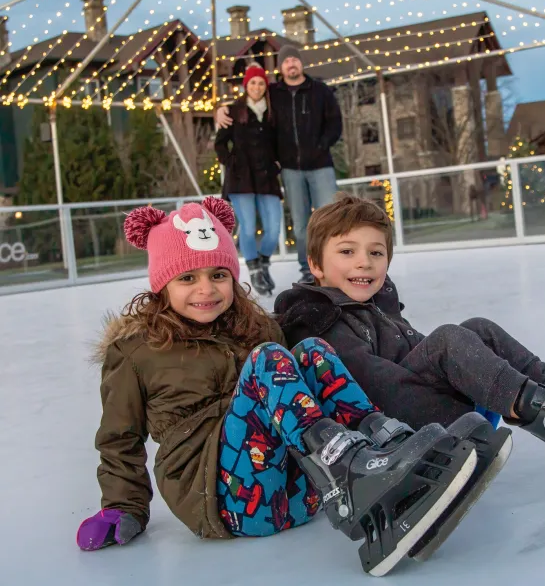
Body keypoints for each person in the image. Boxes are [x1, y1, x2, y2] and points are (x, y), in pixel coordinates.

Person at [74, 196, 496, 577]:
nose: (206, 289)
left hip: (301, 494)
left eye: (219, 274)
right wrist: (122, 508)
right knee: (269, 360)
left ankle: (385, 450)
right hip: (225, 501)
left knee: (311, 349)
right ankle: (353, 477)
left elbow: (311, 384)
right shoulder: (137, 351)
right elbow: (120, 438)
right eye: (187, 278)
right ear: (161, 284)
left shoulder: (256, 327)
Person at [274, 193, 545, 553]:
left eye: (376, 252)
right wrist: (457, 408)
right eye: (347, 252)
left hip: (430, 412)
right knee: (449, 339)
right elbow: (371, 382)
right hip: (398, 436)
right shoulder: (316, 316)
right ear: (315, 264)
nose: (364, 262)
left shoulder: (375, 306)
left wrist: (467, 376)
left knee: (475, 329)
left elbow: (419, 355)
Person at [216, 45, 343, 284]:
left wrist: (321, 145)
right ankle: (307, 268)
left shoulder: (320, 91)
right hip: (290, 169)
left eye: (295, 59)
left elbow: (335, 123)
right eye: (286, 61)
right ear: (281, 67)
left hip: (320, 165)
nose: (291, 64)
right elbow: (245, 99)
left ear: (301, 64)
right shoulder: (274, 93)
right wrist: (219, 110)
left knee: (330, 218)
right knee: (300, 223)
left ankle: (334, 263)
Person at [215, 64, 282, 296]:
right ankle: (254, 270)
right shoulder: (234, 111)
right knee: (248, 227)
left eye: (261, 83)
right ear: (246, 85)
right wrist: (230, 161)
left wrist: (278, 162)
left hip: (267, 178)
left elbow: (279, 143)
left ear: (265, 86)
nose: (257, 87)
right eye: (253, 82)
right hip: (241, 178)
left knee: (273, 227)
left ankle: (264, 262)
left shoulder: (273, 113)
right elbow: (220, 143)